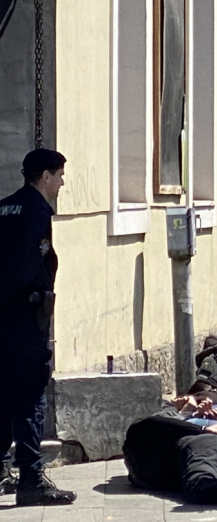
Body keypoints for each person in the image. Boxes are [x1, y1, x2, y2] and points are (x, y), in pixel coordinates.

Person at [0, 149, 75, 506]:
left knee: (3, 394)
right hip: (24, 317)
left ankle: (1, 470)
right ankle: (31, 477)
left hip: (3, 319)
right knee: (30, 395)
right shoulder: (36, 210)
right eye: (59, 175)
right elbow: (29, 265)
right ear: (45, 176)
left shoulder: (5, 206)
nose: (62, 182)